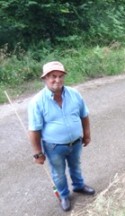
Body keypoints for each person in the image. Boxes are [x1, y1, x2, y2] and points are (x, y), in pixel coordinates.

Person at [28, 61, 95, 212]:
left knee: (76, 166)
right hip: (53, 146)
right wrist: (38, 153)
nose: (57, 80)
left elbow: (84, 115)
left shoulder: (74, 94)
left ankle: (79, 186)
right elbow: (34, 130)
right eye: (53, 76)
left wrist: (87, 135)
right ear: (45, 78)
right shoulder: (37, 102)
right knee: (58, 173)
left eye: (60, 76)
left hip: (76, 142)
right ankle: (64, 195)